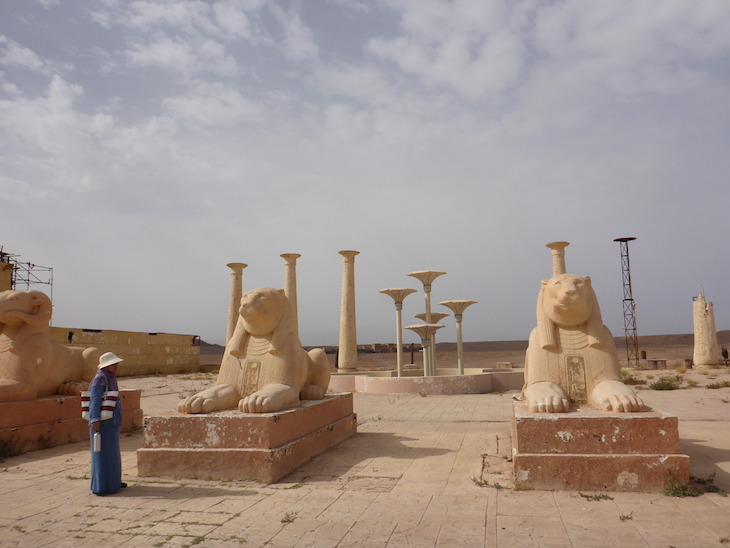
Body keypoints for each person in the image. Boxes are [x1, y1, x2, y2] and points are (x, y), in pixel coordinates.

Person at [88, 351, 127, 495]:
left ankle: (114, 482)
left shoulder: (111, 378)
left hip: (111, 421)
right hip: (102, 423)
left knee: (112, 453)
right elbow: (95, 400)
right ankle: (102, 486)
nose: (116, 367)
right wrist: (95, 420)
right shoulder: (100, 378)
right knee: (102, 454)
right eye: (113, 364)